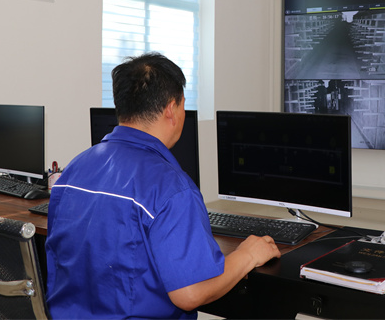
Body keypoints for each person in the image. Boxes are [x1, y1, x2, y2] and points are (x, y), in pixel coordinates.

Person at [45, 52, 281, 319]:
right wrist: (247, 255)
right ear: (172, 109)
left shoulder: (74, 168)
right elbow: (190, 293)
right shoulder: (172, 188)